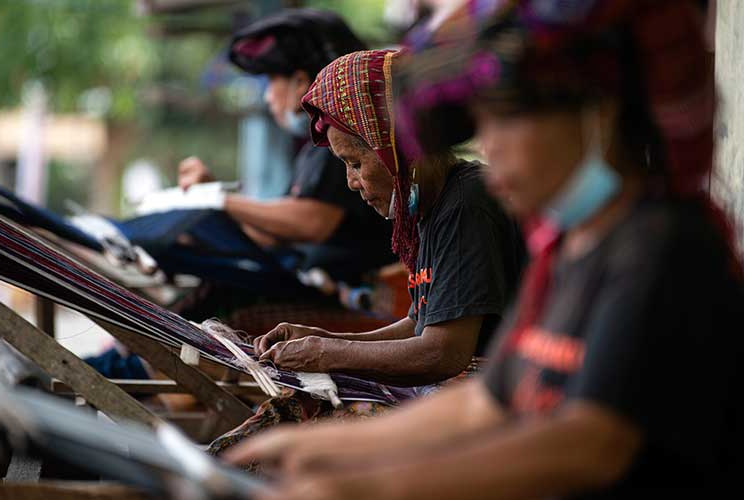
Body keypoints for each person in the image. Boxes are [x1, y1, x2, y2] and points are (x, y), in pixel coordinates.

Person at [225, 1, 744, 497]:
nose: (488, 146)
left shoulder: (662, 246)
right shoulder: (570, 248)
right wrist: (324, 445)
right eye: (483, 124)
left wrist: (373, 483)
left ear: (598, 116)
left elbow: (592, 443)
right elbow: (487, 402)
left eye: (507, 120)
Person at [207, 48, 524, 455]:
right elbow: (419, 324)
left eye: (355, 162)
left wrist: (329, 353)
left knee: (309, 436)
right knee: (293, 410)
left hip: (493, 391)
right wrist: (324, 338)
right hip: (464, 381)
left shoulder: (465, 203)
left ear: (396, 149)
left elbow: (445, 351)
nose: (352, 182)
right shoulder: (430, 206)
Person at [171, 9, 396, 321]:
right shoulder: (313, 151)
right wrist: (213, 200)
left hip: (352, 303)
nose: (268, 97)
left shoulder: (341, 144)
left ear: (301, 81)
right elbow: (272, 234)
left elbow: (311, 222)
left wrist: (218, 200)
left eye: (271, 80)